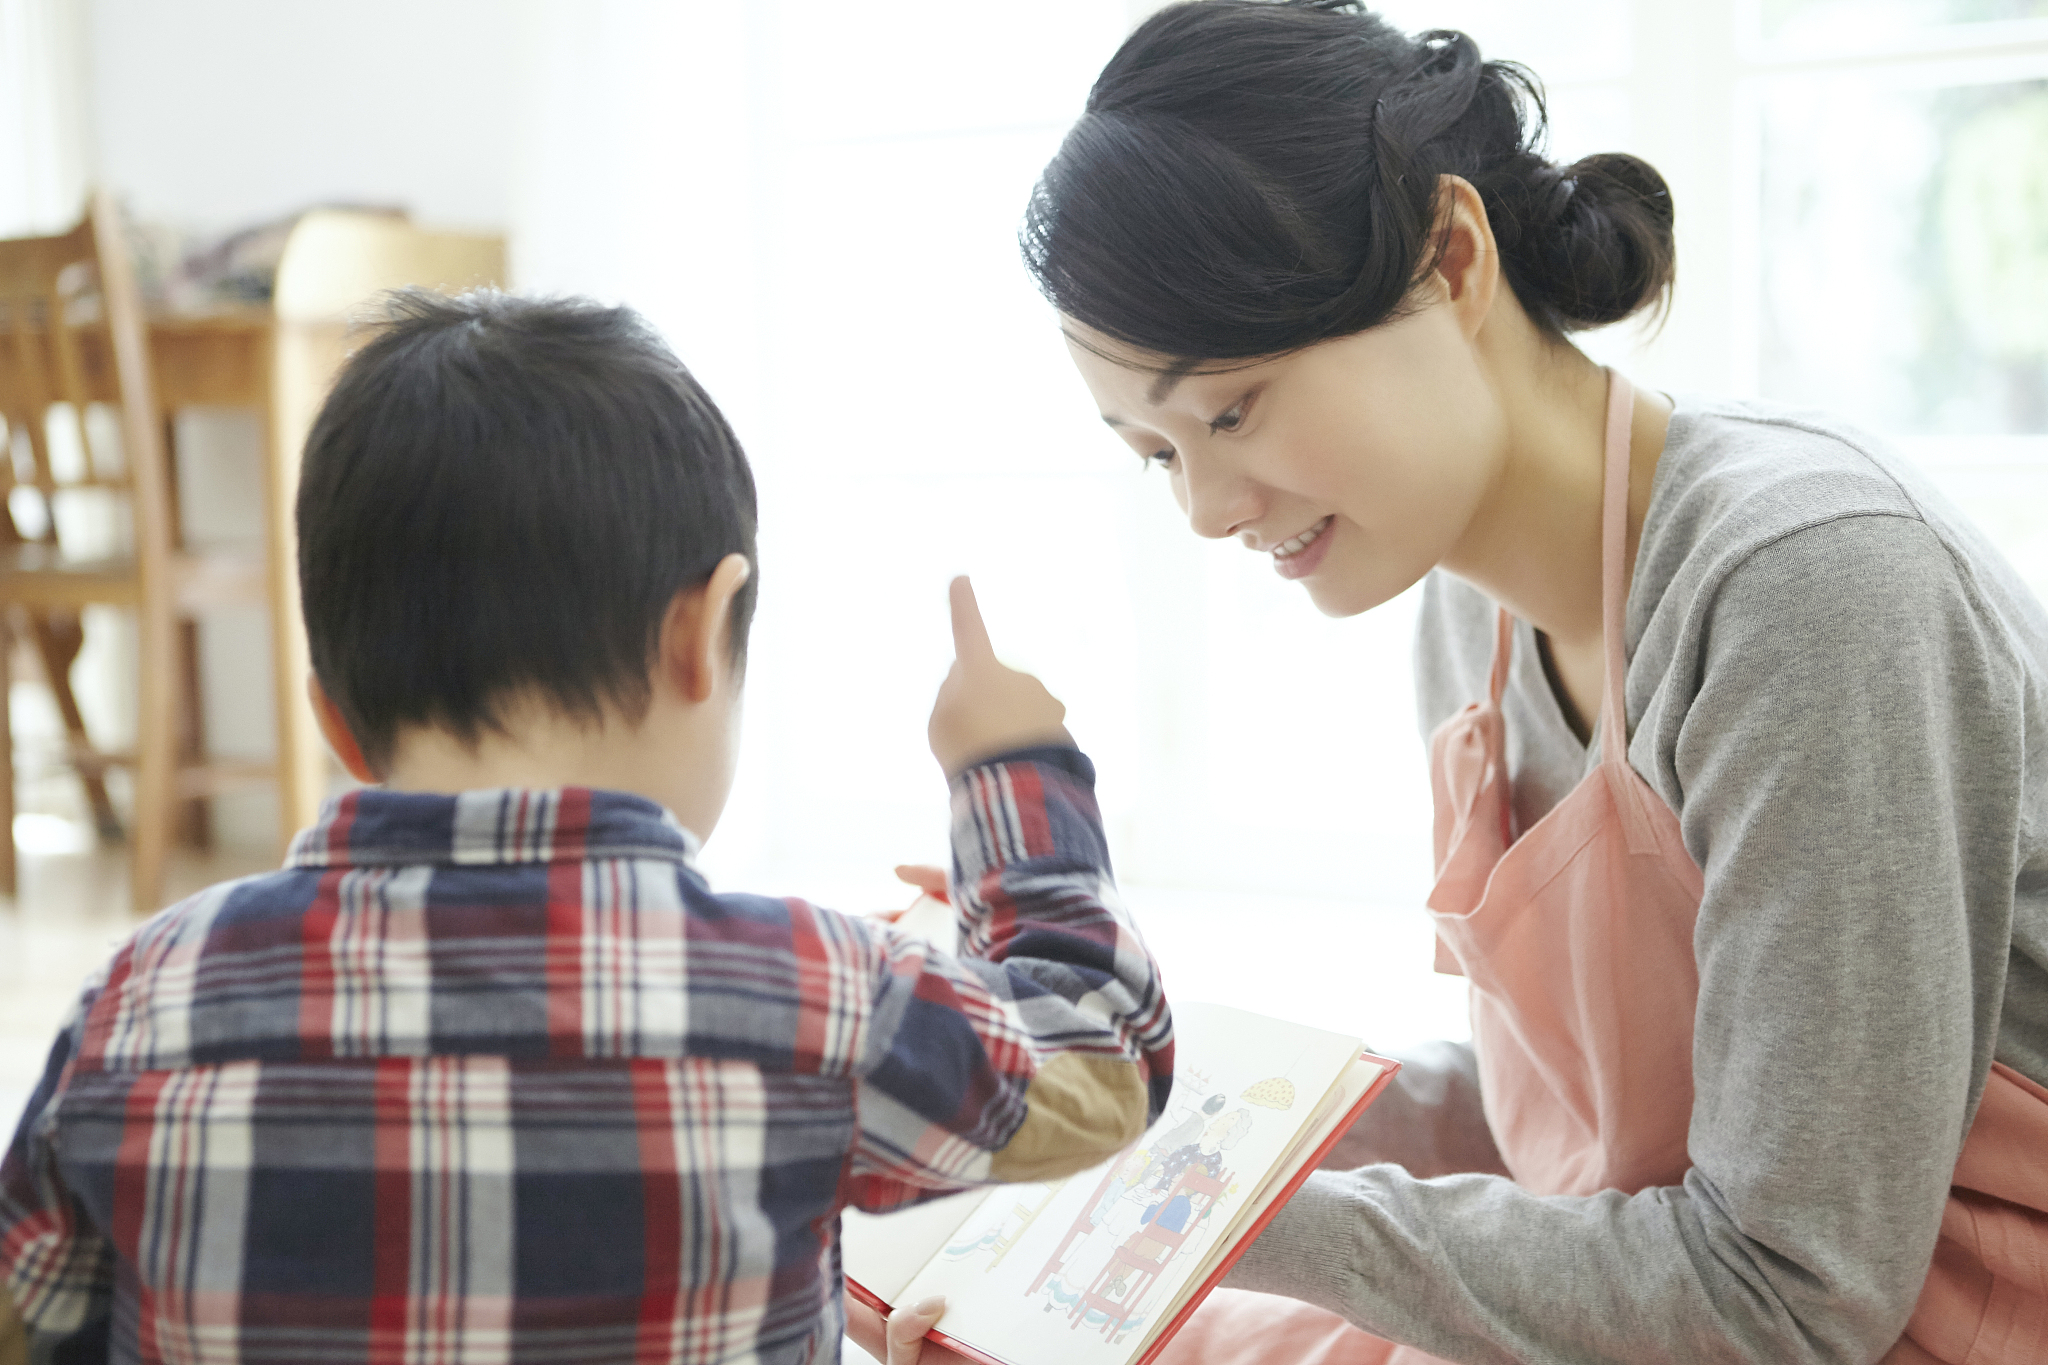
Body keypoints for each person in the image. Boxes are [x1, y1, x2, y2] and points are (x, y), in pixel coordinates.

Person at [886, 1, 2048, 1362]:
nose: (1203, 509)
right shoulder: (1463, 612)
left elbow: (1793, 1294)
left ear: (1451, 257)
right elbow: (1568, 1128)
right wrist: (1104, 1090)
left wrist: (1196, 1202)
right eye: (1155, 451)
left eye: (1233, 411)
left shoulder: (1809, 584)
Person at [0, 290, 1175, 1365]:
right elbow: (1103, 1056)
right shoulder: (814, 999)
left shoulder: (140, 1000)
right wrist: (1006, 766)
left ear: (333, 720)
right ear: (698, 634)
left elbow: (36, 1319)